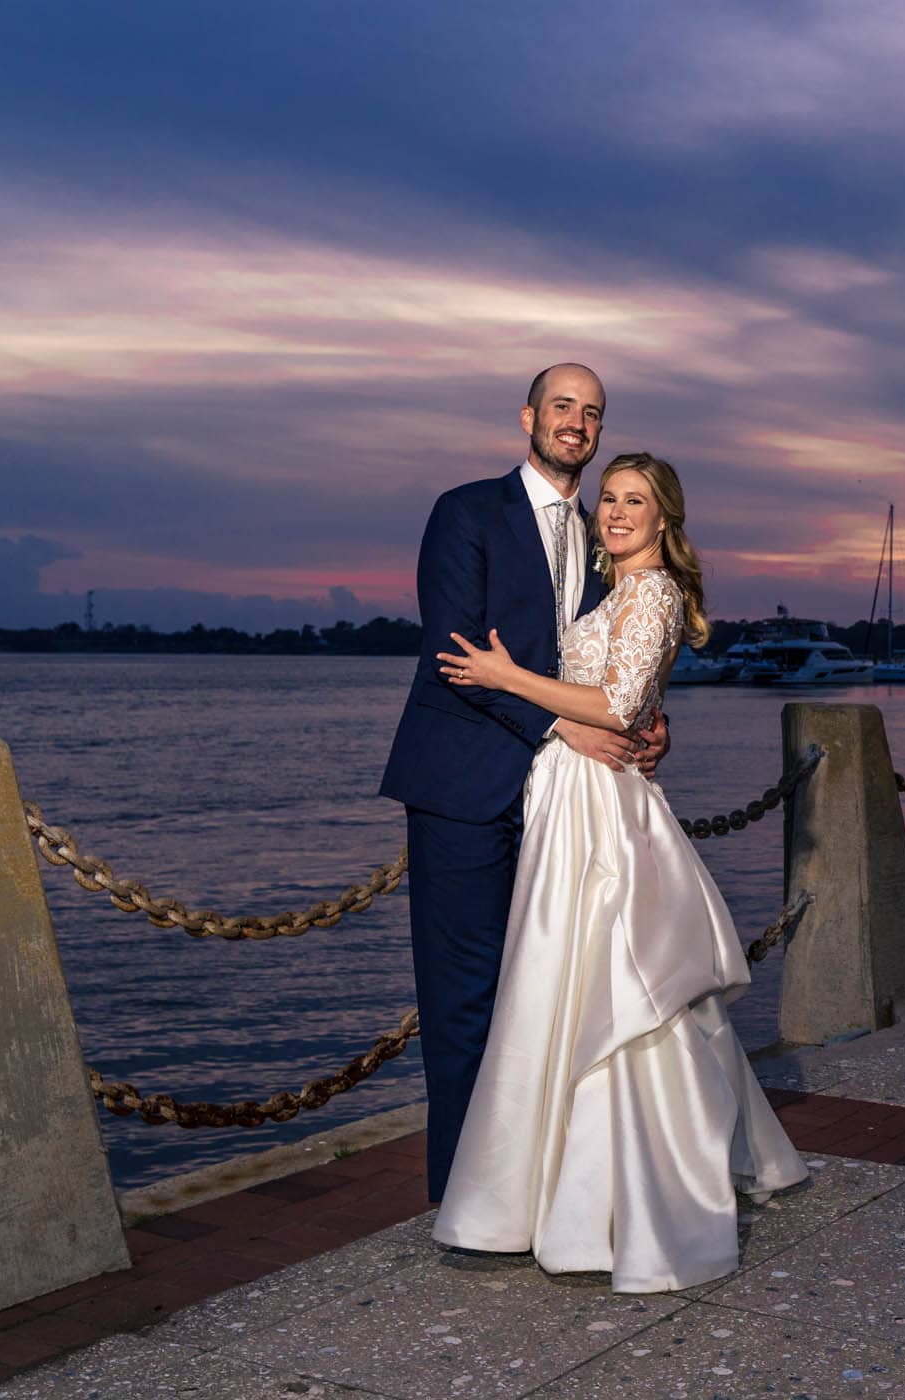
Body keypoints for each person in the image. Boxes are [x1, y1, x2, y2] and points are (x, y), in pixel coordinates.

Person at [429, 453, 806, 1292]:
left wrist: (503, 676)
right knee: (563, 979)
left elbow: (620, 703)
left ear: (665, 519)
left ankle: (633, 1192)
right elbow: (616, 696)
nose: (618, 512)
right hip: (570, 791)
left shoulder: (655, 592)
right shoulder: (614, 595)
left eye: (637, 501)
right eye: (610, 498)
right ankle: (550, 1186)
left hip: (603, 806)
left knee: (607, 979)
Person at [379, 365, 670, 1204]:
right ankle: (465, 1202)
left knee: (545, 995)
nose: (576, 423)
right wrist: (559, 725)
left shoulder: (601, 532)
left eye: (592, 413)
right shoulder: (466, 512)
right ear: (529, 418)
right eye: (562, 407)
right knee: (465, 998)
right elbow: (454, 653)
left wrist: (647, 721)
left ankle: (536, 1188)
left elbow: (620, 655)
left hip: (563, 802)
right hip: (465, 788)